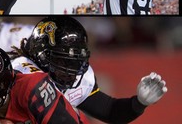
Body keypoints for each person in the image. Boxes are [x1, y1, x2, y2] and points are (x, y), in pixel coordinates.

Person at [11, 16, 167, 123]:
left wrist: (139, 103)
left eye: (75, 62)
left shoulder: (79, 80)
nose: (71, 70)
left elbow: (109, 110)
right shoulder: (19, 73)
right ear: (42, 55)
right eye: (64, 61)